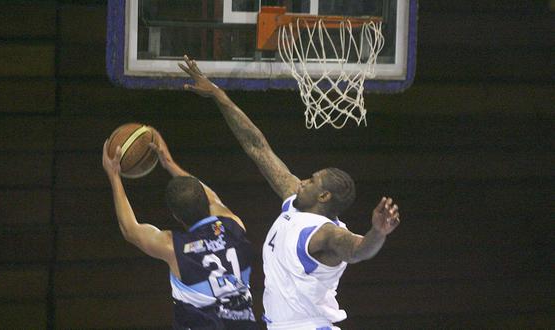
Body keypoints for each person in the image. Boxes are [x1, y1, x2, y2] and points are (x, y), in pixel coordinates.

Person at [179, 55, 401, 330]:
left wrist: (378, 232)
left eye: (312, 180)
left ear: (324, 197)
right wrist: (218, 95)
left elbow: (358, 250)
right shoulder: (294, 203)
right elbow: (257, 147)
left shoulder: (326, 233)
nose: (303, 181)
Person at [102, 128, 258, 330]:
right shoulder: (233, 225)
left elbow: (130, 230)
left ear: (176, 216)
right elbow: (212, 197)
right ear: (207, 202)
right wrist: (170, 163)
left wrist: (114, 175)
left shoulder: (175, 247)